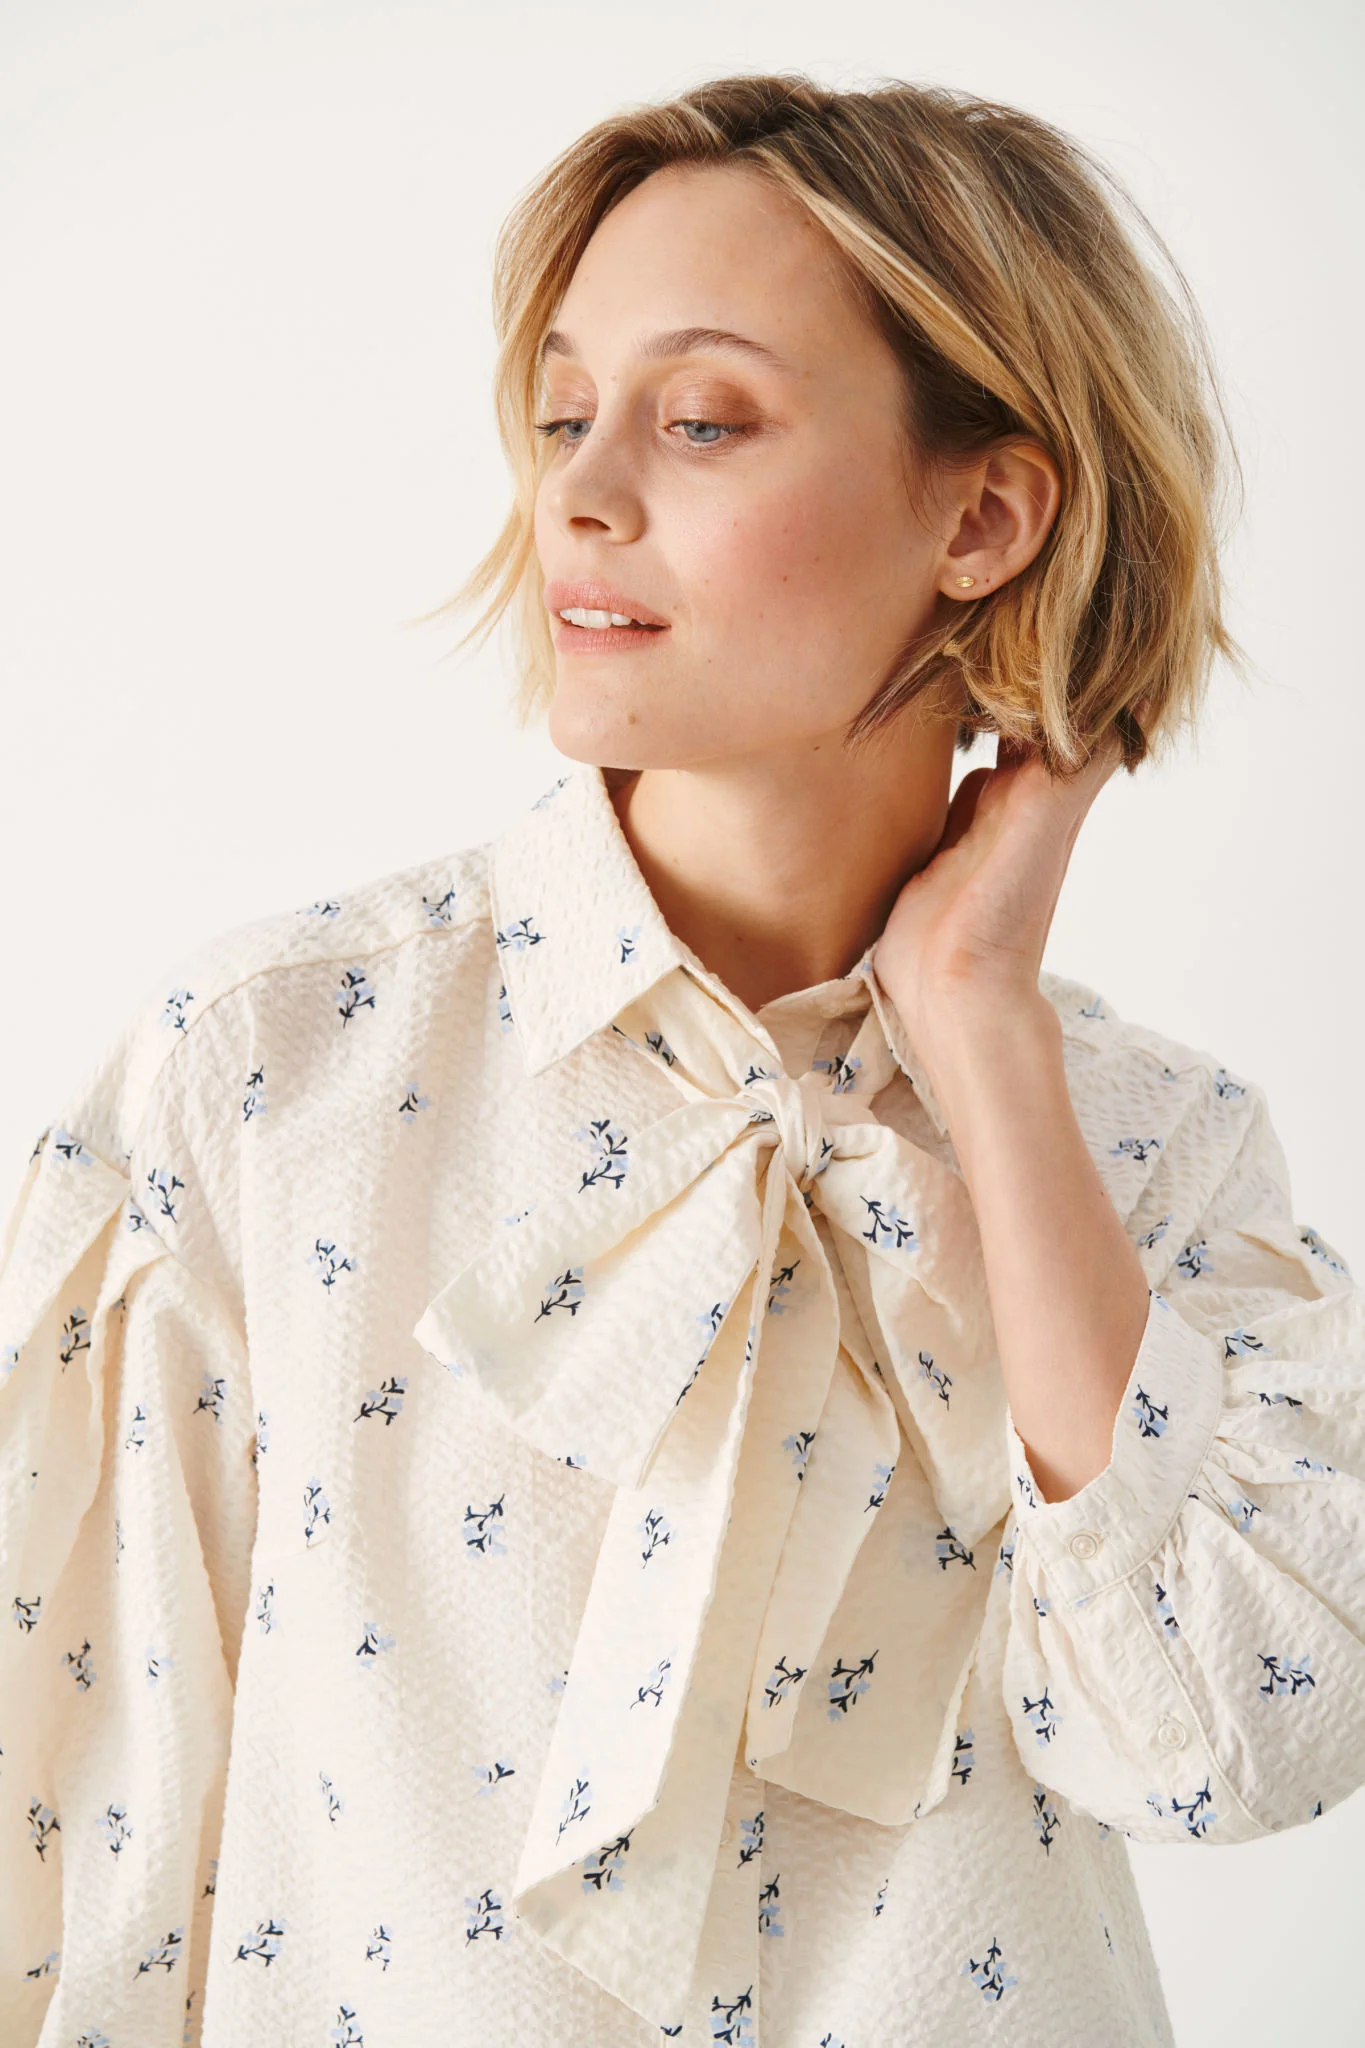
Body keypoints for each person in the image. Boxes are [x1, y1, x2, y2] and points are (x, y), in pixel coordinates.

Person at [2, 70, 1361, 2048]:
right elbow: (70, 1847)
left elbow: (1234, 1744)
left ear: (983, 515)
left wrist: (981, 1034)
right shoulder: (274, 1075)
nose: (579, 489)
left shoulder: (1156, 1143)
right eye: (566, 412)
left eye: (702, 418)